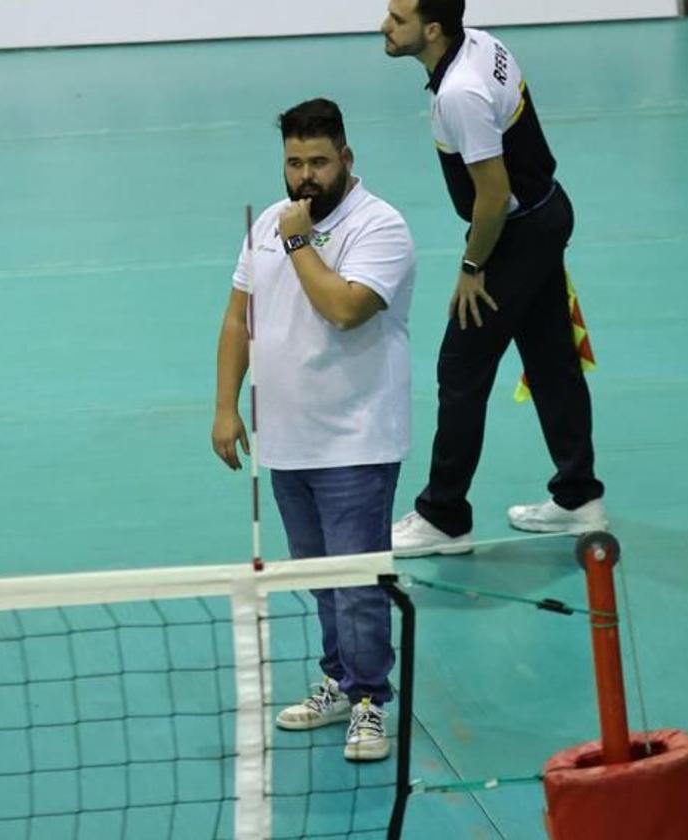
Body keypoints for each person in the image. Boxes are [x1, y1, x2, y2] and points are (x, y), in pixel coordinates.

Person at [211, 98, 416, 761]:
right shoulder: (267, 224)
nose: (304, 177)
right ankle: (339, 680)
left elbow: (345, 310)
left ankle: (369, 703)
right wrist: (225, 405)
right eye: (294, 162)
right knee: (321, 577)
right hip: (287, 442)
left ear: (346, 160)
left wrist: (300, 242)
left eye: (318, 162)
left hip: (356, 440)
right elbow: (237, 319)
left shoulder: (380, 227)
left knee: (358, 582)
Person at [380, 0, 608, 557]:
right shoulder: (479, 42)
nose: (385, 26)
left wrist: (472, 267)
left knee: (460, 368)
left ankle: (445, 516)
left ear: (433, 30)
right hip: (546, 213)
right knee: (552, 360)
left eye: (397, 19)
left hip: (517, 234)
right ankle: (579, 498)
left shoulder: (460, 93)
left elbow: (492, 195)